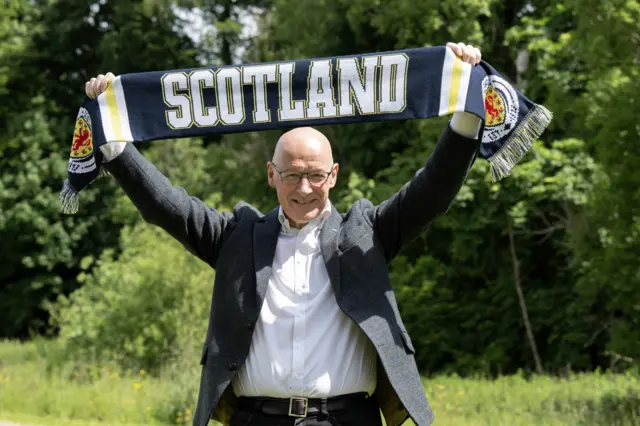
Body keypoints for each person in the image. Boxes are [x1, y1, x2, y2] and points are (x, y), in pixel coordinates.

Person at [86, 42, 483, 426]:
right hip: (255, 419)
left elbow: (433, 190)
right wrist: (113, 137)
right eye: (292, 175)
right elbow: (164, 204)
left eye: (314, 175)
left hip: (348, 419)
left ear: (334, 176)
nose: (304, 188)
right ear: (272, 175)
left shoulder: (368, 233)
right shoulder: (235, 237)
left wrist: (466, 107)